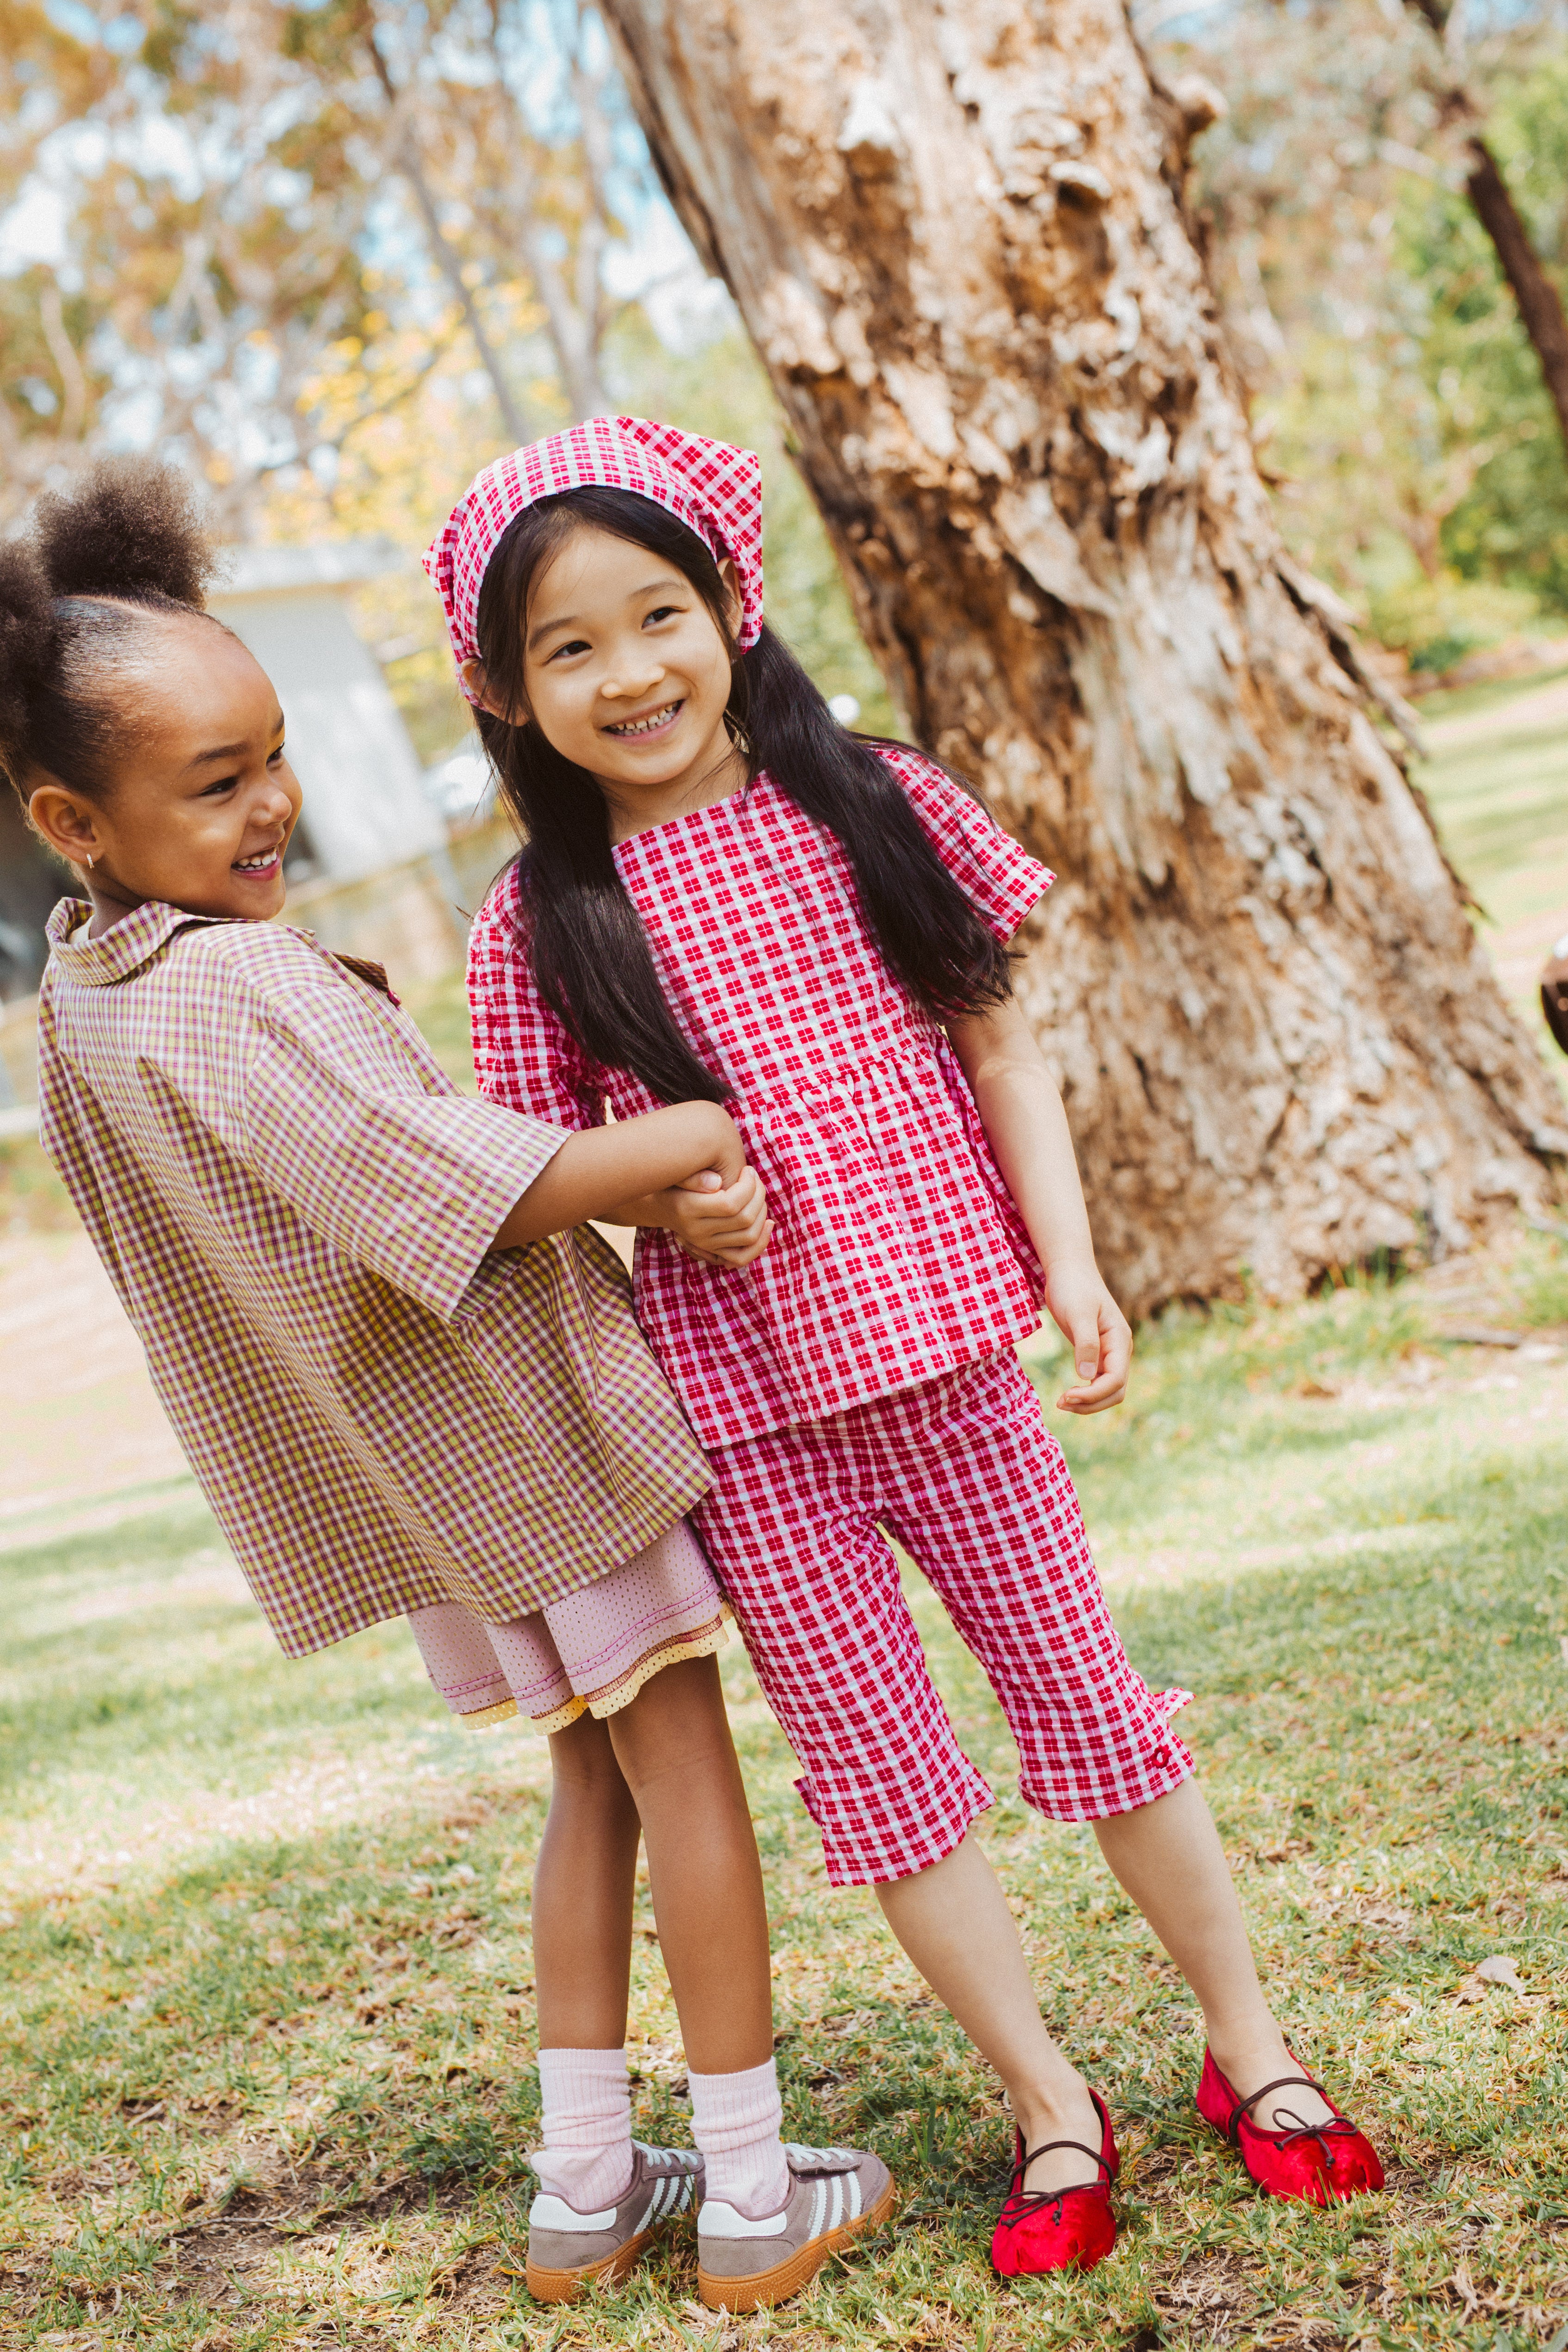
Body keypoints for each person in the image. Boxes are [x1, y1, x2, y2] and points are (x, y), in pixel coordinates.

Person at [435, 417, 1387, 2280]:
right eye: (568, 646)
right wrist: (658, 1204)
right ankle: (1046, 2101)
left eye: (656, 613)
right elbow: (537, 1179)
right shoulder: (536, 925)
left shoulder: (867, 797)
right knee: (879, 1775)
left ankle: (1247, 2052)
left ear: (732, 602)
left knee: (1094, 1713)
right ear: (506, 687)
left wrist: (1073, 1254)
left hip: (953, 1360)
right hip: (750, 1423)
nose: (628, 671)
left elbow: (999, 1035)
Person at [0, 459, 892, 2315]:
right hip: (524, 1450)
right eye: (218, 782)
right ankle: (746, 2193)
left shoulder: (86, 1001)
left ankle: (583, 2190)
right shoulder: (230, 989)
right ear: (71, 816)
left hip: (417, 1486)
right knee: (685, 1778)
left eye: (270, 754)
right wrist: (674, 1139)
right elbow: (451, 1188)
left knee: (591, 1790)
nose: (275, 803)